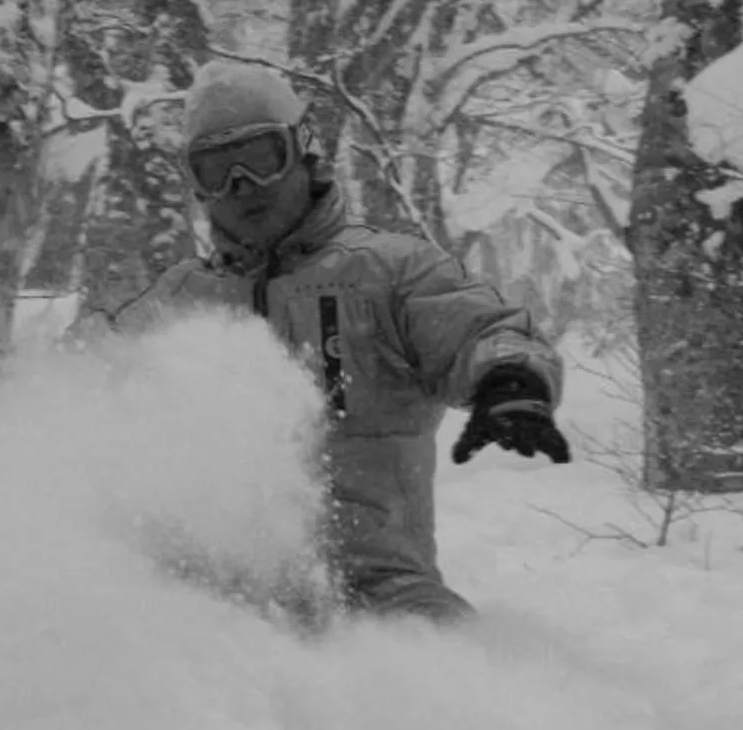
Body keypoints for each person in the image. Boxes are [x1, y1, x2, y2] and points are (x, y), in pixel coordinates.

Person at [108, 61, 571, 623]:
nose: (242, 187)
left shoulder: (387, 272)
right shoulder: (180, 300)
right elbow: (89, 376)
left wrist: (510, 380)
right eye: (216, 170)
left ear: (303, 152)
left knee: (444, 665)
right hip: (215, 604)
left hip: (377, 589)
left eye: (259, 159)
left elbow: (480, 328)